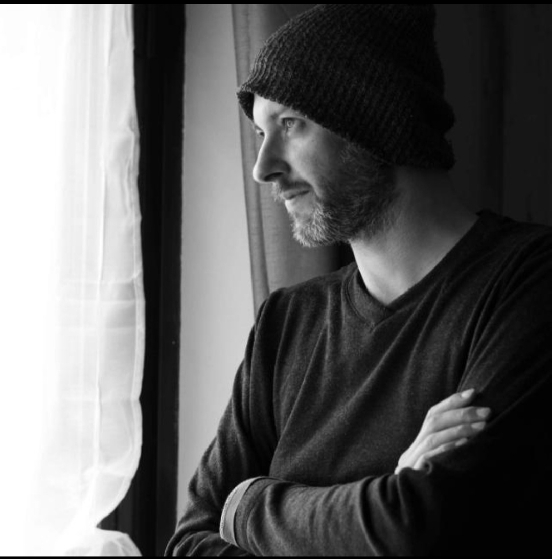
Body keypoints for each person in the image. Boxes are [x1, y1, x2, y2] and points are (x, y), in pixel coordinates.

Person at [166, 5, 552, 556]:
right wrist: (384, 501)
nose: (263, 167)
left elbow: (420, 526)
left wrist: (247, 505)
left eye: (290, 124)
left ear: (373, 120)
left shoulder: (528, 282)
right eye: (260, 131)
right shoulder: (285, 324)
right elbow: (188, 543)